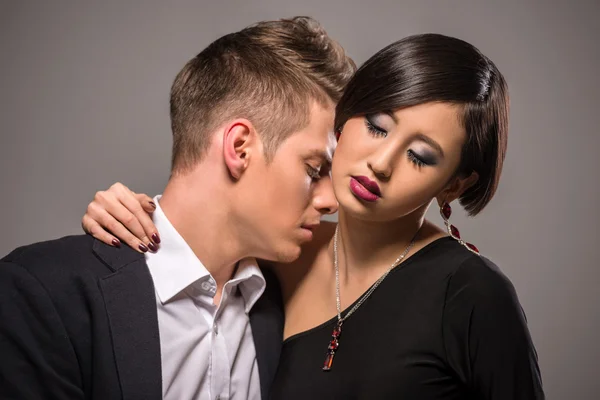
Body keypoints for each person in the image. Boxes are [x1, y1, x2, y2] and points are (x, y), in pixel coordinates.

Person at [85, 34, 545, 399]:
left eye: (421, 157)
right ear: (344, 119)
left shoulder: (472, 294)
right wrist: (137, 211)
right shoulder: (277, 260)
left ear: (454, 184)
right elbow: (203, 232)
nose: (381, 162)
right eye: (376, 126)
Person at [0, 17, 355, 400]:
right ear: (239, 148)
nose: (331, 200)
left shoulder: (286, 298)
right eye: (314, 169)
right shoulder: (42, 292)